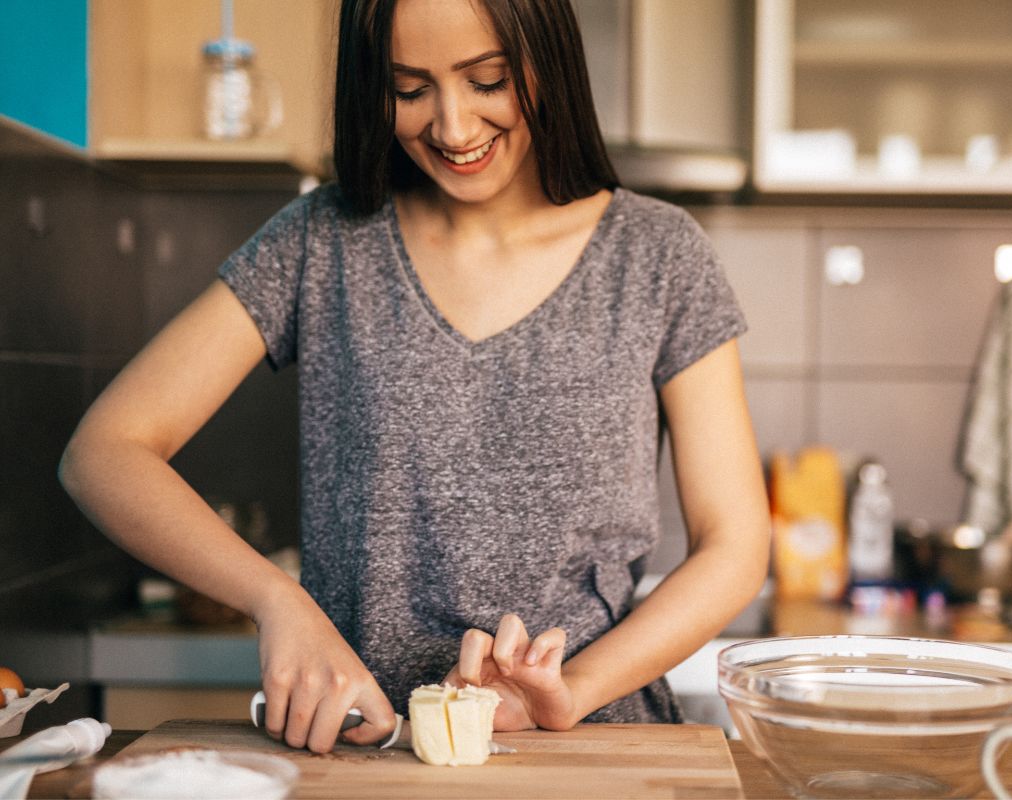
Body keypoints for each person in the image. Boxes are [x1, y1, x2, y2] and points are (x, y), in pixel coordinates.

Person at [58, 0, 769, 754]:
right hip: (367, 753)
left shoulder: (659, 256)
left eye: (488, 81)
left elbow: (734, 544)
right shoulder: (320, 241)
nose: (454, 128)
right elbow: (103, 453)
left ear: (547, 58)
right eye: (408, 90)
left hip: (595, 751)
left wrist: (572, 692)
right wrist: (277, 600)